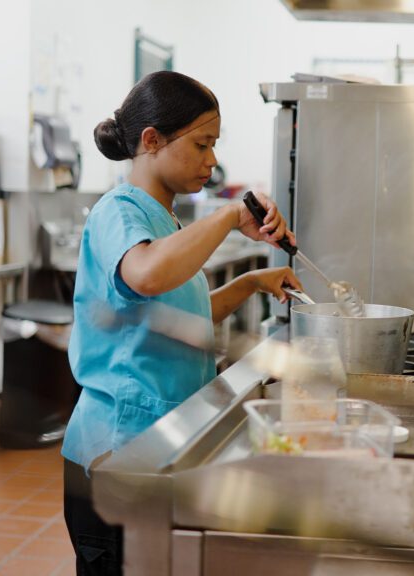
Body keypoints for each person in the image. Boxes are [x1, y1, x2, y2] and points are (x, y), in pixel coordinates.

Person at [62, 71, 302, 575]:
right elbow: (146, 276)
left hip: (155, 449)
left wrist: (251, 283)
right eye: (201, 144)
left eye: (213, 145)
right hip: (116, 455)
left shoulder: (164, 220)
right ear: (152, 140)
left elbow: (176, 316)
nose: (212, 161)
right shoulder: (118, 213)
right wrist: (228, 217)